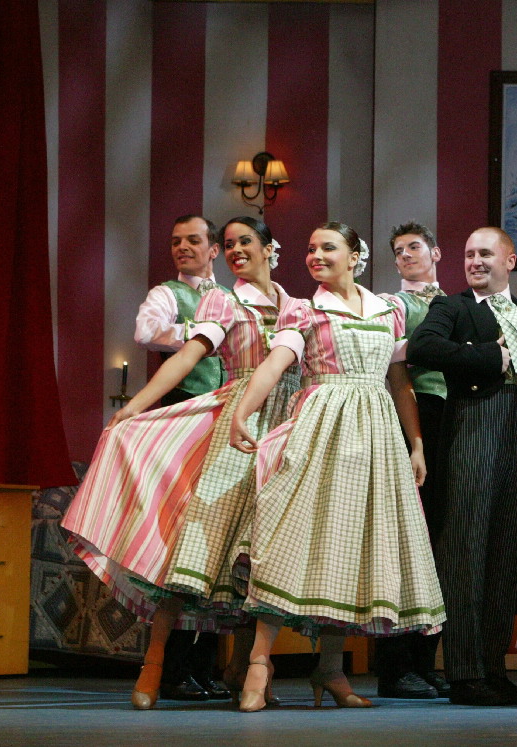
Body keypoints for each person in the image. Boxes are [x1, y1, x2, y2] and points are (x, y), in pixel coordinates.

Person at [63, 215, 300, 709]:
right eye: (228, 244)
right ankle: (153, 665)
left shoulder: (297, 307)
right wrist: (134, 406)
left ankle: (247, 670)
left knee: (262, 552)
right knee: (197, 544)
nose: (235, 250)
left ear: (269, 248)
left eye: (245, 242)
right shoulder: (223, 301)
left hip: (286, 428)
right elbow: (189, 356)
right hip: (238, 421)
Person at [228, 222, 443, 712]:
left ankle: (330, 669)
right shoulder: (305, 310)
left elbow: (398, 380)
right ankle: (259, 662)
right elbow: (275, 363)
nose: (316, 256)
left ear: (355, 256)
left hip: (376, 438)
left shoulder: (388, 310)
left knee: (350, 548)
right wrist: (244, 411)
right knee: (290, 541)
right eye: (310, 249)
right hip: (322, 429)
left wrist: (416, 444)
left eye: (328, 247)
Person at [407, 226, 517, 706]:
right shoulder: (453, 307)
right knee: (465, 549)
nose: (475, 261)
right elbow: (422, 348)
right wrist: (491, 356)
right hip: (472, 425)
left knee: (507, 549)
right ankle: (465, 673)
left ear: (510, 261)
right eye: (469, 254)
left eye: (485, 253)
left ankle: (494, 668)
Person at [374, 221, 451, 700]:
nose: (405, 255)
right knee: (408, 540)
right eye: (398, 250)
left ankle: (425, 661)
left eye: (414, 247)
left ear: (435, 253)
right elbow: (394, 367)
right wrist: (414, 440)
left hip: (452, 418)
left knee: (440, 542)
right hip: (414, 418)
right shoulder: (393, 304)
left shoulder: (453, 302)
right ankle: (395, 666)